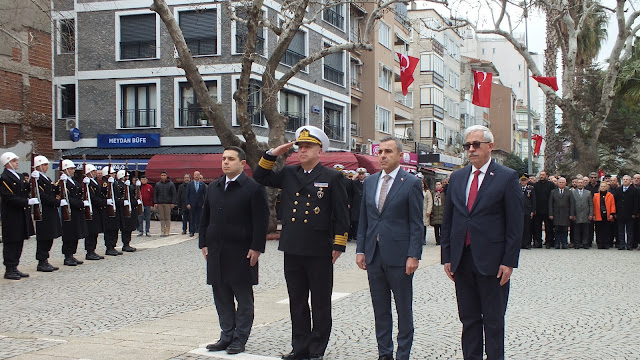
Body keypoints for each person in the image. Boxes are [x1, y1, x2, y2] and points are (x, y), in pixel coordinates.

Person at [254, 126, 349, 360]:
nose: (303, 150)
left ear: (320, 150)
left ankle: (317, 349)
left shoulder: (332, 177)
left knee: (319, 301)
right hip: (293, 245)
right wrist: (273, 153)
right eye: (300, 146)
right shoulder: (289, 173)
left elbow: (341, 214)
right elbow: (259, 177)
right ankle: (300, 347)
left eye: (308, 146)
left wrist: (338, 245)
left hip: (319, 248)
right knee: (297, 301)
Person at [441, 125, 523, 360]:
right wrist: (447, 256)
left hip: (492, 261)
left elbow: (515, 224)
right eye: (467, 145)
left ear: (489, 146)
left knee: (494, 320)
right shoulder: (457, 178)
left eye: (476, 144)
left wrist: (509, 262)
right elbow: (450, 220)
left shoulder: (507, 177)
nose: (471, 149)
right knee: (468, 319)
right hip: (462, 259)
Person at [355, 137, 423, 360]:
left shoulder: (410, 182)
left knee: (403, 310)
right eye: (380, 152)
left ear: (400, 156)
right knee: (380, 310)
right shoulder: (370, 182)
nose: (383, 156)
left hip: (400, 258)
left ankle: (403, 354)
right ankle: (385, 353)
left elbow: (416, 223)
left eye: (388, 152)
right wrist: (361, 250)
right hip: (374, 256)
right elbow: (365, 219)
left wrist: (414, 255)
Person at [200, 147, 269, 355]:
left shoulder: (253, 188)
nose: (226, 162)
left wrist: (257, 247)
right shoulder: (213, 187)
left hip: (242, 252)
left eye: (231, 159)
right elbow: (205, 217)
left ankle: (240, 338)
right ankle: (226, 334)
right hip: (216, 251)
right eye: (223, 159)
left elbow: (261, 220)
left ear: (242, 163)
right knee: (221, 295)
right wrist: (203, 242)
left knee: (243, 298)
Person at [0, 152, 36, 280]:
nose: (17, 163)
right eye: (14, 161)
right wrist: (26, 201)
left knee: (19, 241)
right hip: (11, 214)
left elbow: (25, 190)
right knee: (11, 241)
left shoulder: (19, 176)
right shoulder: (4, 178)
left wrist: (32, 180)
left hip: (21, 214)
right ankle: (9, 269)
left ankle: (15, 266)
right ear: (8, 163)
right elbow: (9, 197)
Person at [32, 155, 63, 272]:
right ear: (38, 166)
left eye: (46, 165)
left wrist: (60, 184)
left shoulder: (46, 178)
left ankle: (45, 259)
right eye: (44, 165)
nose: (46, 167)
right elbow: (42, 196)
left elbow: (52, 190)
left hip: (51, 211)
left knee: (50, 236)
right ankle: (41, 261)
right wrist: (57, 202)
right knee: (44, 236)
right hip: (43, 211)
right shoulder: (36, 179)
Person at [59, 159, 87, 266]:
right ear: (65, 170)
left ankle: (72, 254)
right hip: (69, 211)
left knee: (75, 233)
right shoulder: (63, 182)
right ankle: (67, 256)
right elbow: (66, 198)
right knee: (69, 234)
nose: (73, 171)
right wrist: (80, 203)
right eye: (71, 169)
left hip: (77, 211)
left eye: (73, 169)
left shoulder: (73, 181)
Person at [83, 164, 106, 260]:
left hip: (97, 210)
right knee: (91, 231)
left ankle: (93, 250)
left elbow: (100, 193)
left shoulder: (94, 182)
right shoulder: (87, 183)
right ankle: (89, 251)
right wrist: (102, 202)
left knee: (95, 231)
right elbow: (91, 197)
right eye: (93, 171)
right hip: (92, 210)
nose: (95, 173)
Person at [612, 175, 639, 250]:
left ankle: (629, 245)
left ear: (630, 181)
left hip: (630, 213)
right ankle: (622, 244)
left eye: (627, 179)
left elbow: (636, 203)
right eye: (624, 179)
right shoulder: (618, 189)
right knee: (620, 230)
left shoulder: (634, 190)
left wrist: (634, 213)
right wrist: (615, 212)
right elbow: (615, 201)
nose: (625, 181)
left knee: (630, 230)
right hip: (620, 213)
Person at [548, 177, 575, 249]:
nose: (561, 183)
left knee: (564, 230)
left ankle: (564, 243)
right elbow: (550, 203)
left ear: (565, 183)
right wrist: (550, 213)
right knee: (557, 229)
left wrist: (571, 214)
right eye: (560, 182)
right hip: (556, 214)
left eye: (563, 182)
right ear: (557, 183)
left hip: (565, 214)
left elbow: (572, 204)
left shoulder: (569, 192)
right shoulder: (553, 192)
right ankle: (557, 243)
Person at [102, 166, 122, 256]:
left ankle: (113, 246)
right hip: (108, 210)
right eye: (112, 173)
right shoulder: (105, 184)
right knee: (109, 229)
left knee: (115, 229)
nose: (114, 175)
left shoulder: (114, 183)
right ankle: (109, 247)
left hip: (115, 208)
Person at [533, 171, 556, 248]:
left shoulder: (551, 185)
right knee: (537, 227)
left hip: (547, 209)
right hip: (538, 210)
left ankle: (548, 242)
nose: (541, 176)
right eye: (540, 175)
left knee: (549, 227)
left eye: (543, 175)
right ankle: (538, 242)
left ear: (546, 176)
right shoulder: (535, 185)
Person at [116, 170, 137, 252]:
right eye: (126, 176)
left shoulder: (127, 185)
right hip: (123, 209)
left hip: (129, 208)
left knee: (129, 227)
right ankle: (125, 244)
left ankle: (127, 243)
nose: (127, 178)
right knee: (126, 228)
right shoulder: (119, 185)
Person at [571, 178, 594, 249]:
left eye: (581, 183)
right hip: (576, 214)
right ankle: (577, 243)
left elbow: (591, 204)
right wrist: (572, 214)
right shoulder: (572, 192)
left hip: (585, 214)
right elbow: (571, 204)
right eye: (579, 183)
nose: (580, 184)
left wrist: (590, 214)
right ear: (576, 184)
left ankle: (585, 243)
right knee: (576, 230)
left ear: (584, 184)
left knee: (586, 230)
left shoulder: (588, 193)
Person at [154, 171, 177, 236]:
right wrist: (155, 202)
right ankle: (162, 230)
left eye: (164, 175)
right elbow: (155, 194)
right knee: (162, 217)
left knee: (167, 217)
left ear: (166, 176)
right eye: (162, 175)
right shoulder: (157, 184)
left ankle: (167, 230)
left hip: (168, 203)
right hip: (160, 203)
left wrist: (173, 202)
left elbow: (174, 194)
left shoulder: (171, 184)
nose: (163, 176)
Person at [594, 182, 616, 249]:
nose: (603, 188)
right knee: (599, 230)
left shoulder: (610, 195)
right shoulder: (596, 196)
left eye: (604, 186)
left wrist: (612, 213)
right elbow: (594, 206)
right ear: (599, 187)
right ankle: (600, 243)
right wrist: (594, 214)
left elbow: (612, 205)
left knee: (607, 230)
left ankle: (606, 243)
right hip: (598, 214)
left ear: (607, 187)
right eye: (602, 186)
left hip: (607, 215)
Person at [186, 170, 207, 237]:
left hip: (200, 204)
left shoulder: (202, 185)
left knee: (199, 218)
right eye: (195, 175)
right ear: (193, 176)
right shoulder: (190, 184)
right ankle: (192, 231)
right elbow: (187, 195)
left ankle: (199, 230)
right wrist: (188, 203)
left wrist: (205, 204)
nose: (196, 176)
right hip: (192, 204)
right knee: (192, 218)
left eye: (198, 175)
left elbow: (205, 195)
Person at [348, 168, 366, 242]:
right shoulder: (354, 183)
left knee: (362, 220)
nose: (361, 176)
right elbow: (350, 192)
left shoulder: (367, 182)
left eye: (362, 174)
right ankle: (354, 234)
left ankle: (359, 236)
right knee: (354, 220)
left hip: (364, 203)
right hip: (355, 204)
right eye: (360, 174)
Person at [520, 174, 536, 249]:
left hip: (527, 210)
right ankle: (520, 243)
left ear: (527, 181)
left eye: (524, 180)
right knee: (520, 228)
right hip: (519, 211)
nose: (523, 182)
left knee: (527, 228)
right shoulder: (517, 188)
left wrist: (533, 211)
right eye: (522, 180)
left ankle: (527, 243)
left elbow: (533, 200)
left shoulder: (531, 189)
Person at [420, 174, 433, 246]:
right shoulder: (416, 190)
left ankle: (423, 239)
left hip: (425, 210)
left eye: (422, 183)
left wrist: (429, 211)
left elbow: (430, 201)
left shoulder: (427, 192)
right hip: (418, 210)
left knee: (424, 225)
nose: (421, 184)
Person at [431, 181, 445, 245]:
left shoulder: (444, 193)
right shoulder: (433, 193)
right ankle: (437, 241)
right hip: (435, 213)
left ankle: (442, 240)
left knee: (442, 229)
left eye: (439, 184)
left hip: (442, 212)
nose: (438, 186)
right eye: (436, 184)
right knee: (436, 228)